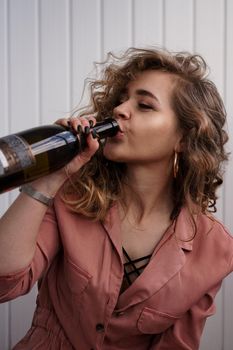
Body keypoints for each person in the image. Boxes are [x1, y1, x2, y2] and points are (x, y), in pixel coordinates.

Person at [0, 47, 232, 350]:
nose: (121, 109)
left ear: (184, 139)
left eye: (145, 105)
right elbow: (5, 284)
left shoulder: (216, 249)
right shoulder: (70, 197)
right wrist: (49, 179)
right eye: (122, 99)